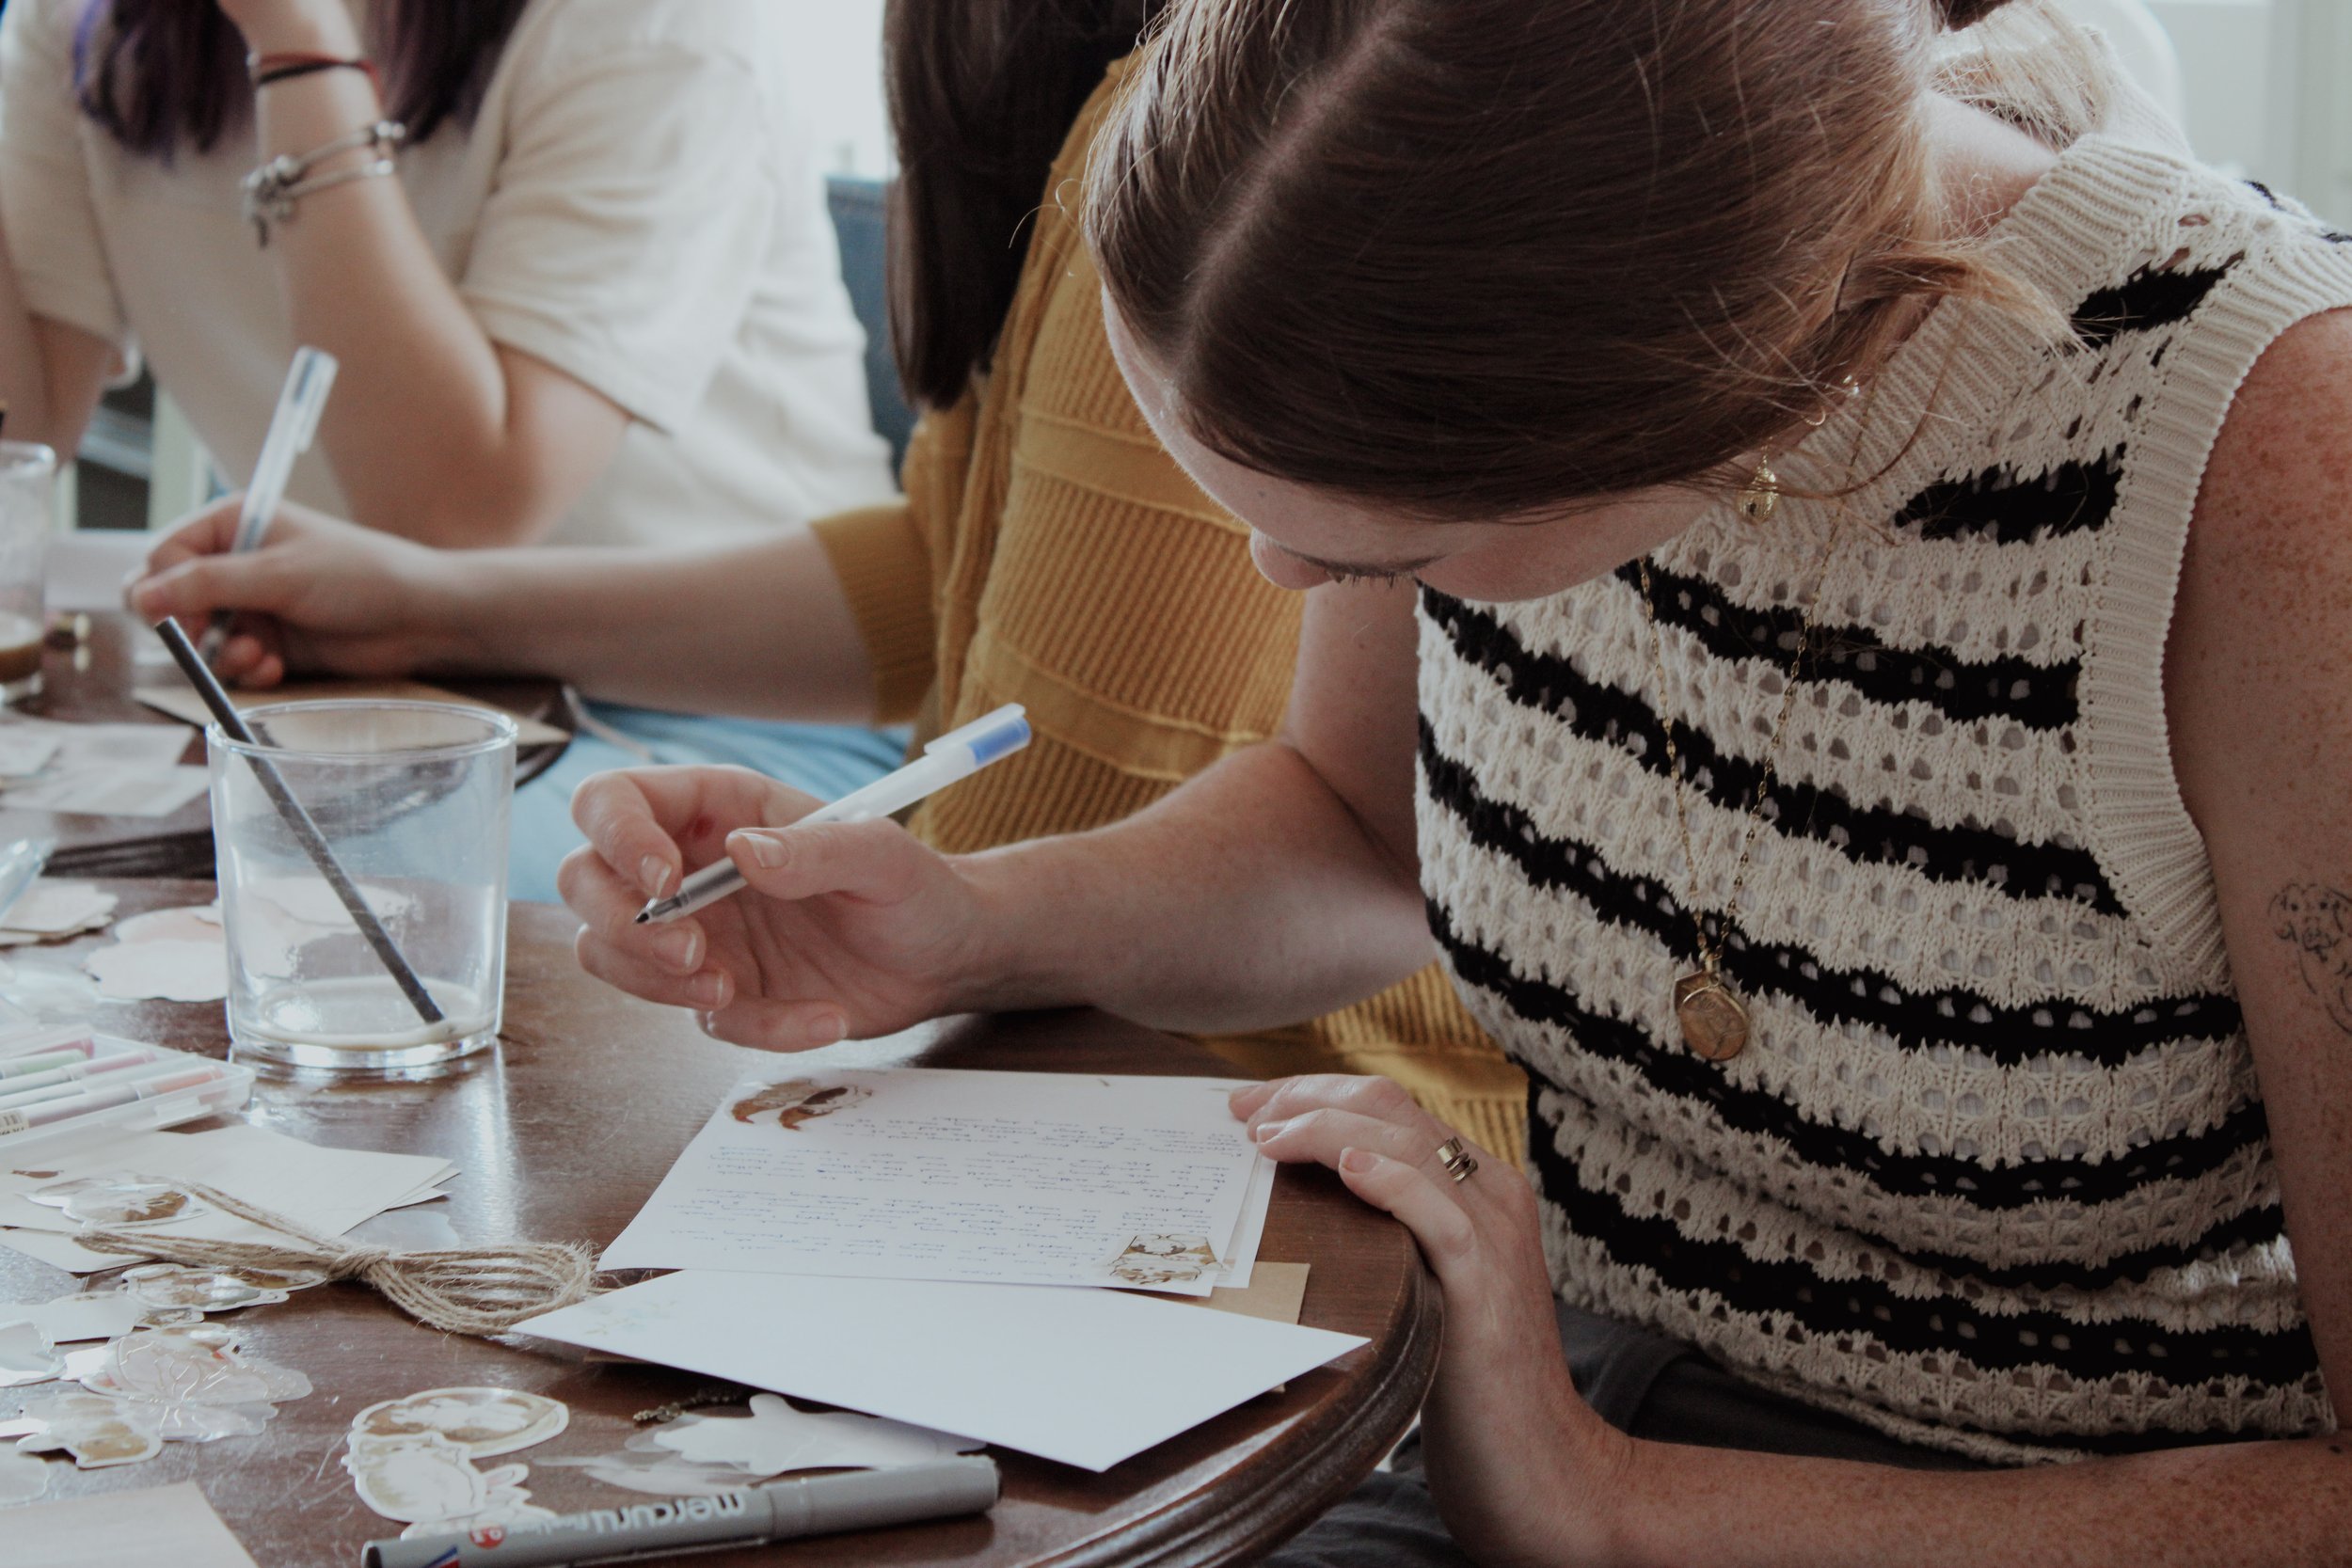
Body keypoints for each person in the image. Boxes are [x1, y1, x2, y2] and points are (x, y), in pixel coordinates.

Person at [547, 0, 2352, 1560]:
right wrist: (970, 929)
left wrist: (1615, 1500)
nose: (1288, 587)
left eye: (1385, 551)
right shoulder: (1452, 272)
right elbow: (1351, 835)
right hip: (1542, 1407)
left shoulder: (2275, 477)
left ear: (1701, 391)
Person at [126, 0, 1525, 1157]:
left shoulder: (1232, 143)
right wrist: (430, 599)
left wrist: (954, 928)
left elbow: (1258, 832)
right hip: (1027, 1051)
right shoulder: (1060, 92)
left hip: (1230, 1118)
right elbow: (941, 577)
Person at [0, 0, 907, 896]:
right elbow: (23, 436)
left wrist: (306, 52)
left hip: (734, 712)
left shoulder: (659, 26)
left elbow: (456, 512)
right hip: (374, 694)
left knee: (289, 906)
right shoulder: (85, 30)